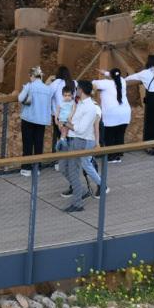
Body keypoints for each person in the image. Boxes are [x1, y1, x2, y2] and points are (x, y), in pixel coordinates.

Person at [60, 82, 103, 213]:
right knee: (63, 167)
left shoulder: (90, 107)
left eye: (77, 89)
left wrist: (67, 124)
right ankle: (81, 191)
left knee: (73, 171)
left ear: (82, 90)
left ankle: (77, 203)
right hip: (71, 139)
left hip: (79, 141)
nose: (76, 91)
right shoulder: (80, 104)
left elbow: (81, 129)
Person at [17, 67, 54, 176]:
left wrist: (25, 88)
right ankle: (37, 167)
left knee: (27, 143)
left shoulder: (29, 86)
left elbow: (20, 98)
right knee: (38, 143)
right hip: (41, 120)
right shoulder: (48, 89)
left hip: (28, 118)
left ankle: (26, 168)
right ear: (41, 76)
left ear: (32, 76)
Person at [91, 69, 130, 162]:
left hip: (111, 114)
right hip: (125, 112)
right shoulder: (122, 81)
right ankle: (118, 153)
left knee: (109, 135)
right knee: (119, 133)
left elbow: (93, 83)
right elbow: (116, 76)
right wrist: (106, 73)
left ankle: (111, 156)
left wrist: (105, 74)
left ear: (111, 75)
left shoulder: (105, 83)